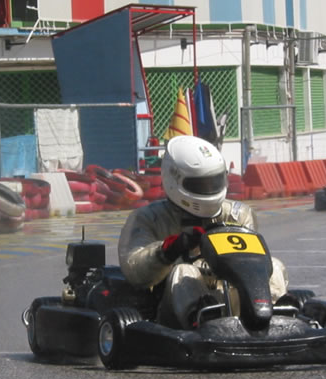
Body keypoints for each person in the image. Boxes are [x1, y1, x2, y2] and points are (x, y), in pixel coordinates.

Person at [118, 135, 289, 330]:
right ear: (174, 180)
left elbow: (250, 263)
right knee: (184, 271)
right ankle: (201, 318)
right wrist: (168, 250)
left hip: (232, 292)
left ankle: (278, 315)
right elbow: (134, 270)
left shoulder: (238, 215)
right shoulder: (149, 218)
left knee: (273, 265)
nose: (209, 189)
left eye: (214, 182)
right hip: (173, 306)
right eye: (201, 185)